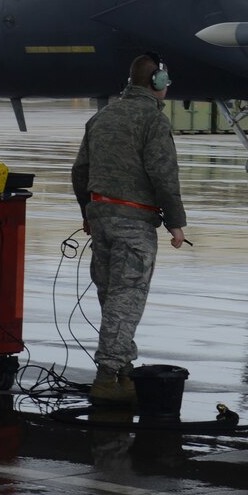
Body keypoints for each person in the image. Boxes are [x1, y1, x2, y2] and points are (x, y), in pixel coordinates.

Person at [71, 53, 188, 405]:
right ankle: (108, 376)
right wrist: (176, 223)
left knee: (112, 297)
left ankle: (122, 370)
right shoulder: (152, 120)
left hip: (101, 216)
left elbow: (79, 172)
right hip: (133, 222)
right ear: (158, 83)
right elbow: (163, 174)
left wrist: (87, 214)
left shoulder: (101, 117)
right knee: (127, 299)